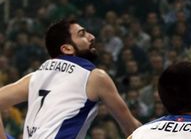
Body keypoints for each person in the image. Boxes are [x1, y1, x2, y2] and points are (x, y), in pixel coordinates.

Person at [0, 19, 141, 138]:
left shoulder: (35, 77)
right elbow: (132, 129)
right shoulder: (95, 77)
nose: (92, 37)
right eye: (82, 35)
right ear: (67, 49)